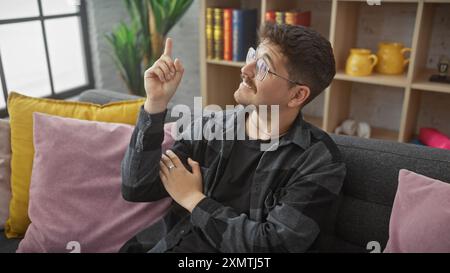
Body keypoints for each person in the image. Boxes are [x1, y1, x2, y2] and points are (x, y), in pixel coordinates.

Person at [120, 23, 346, 253]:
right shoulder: (212, 127)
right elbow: (136, 187)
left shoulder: (318, 162)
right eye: (252, 56)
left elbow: (270, 247)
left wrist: (193, 199)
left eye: (262, 67)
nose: (245, 69)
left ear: (297, 95)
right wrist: (155, 104)